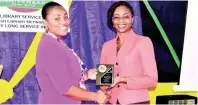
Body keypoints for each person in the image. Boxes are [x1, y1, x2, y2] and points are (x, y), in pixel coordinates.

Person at [35, 1, 109, 104]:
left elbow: (65, 77)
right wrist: (96, 96)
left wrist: (86, 75)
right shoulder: (49, 46)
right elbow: (66, 88)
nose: (64, 22)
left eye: (65, 17)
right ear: (45, 23)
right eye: (57, 18)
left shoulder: (58, 42)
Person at [100, 1, 158, 104]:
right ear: (112, 21)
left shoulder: (143, 42)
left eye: (125, 17)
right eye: (116, 17)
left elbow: (152, 80)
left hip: (137, 101)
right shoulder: (107, 46)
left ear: (132, 19)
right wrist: (104, 88)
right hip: (111, 101)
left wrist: (122, 79)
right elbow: (104, 82)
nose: (121, 21)